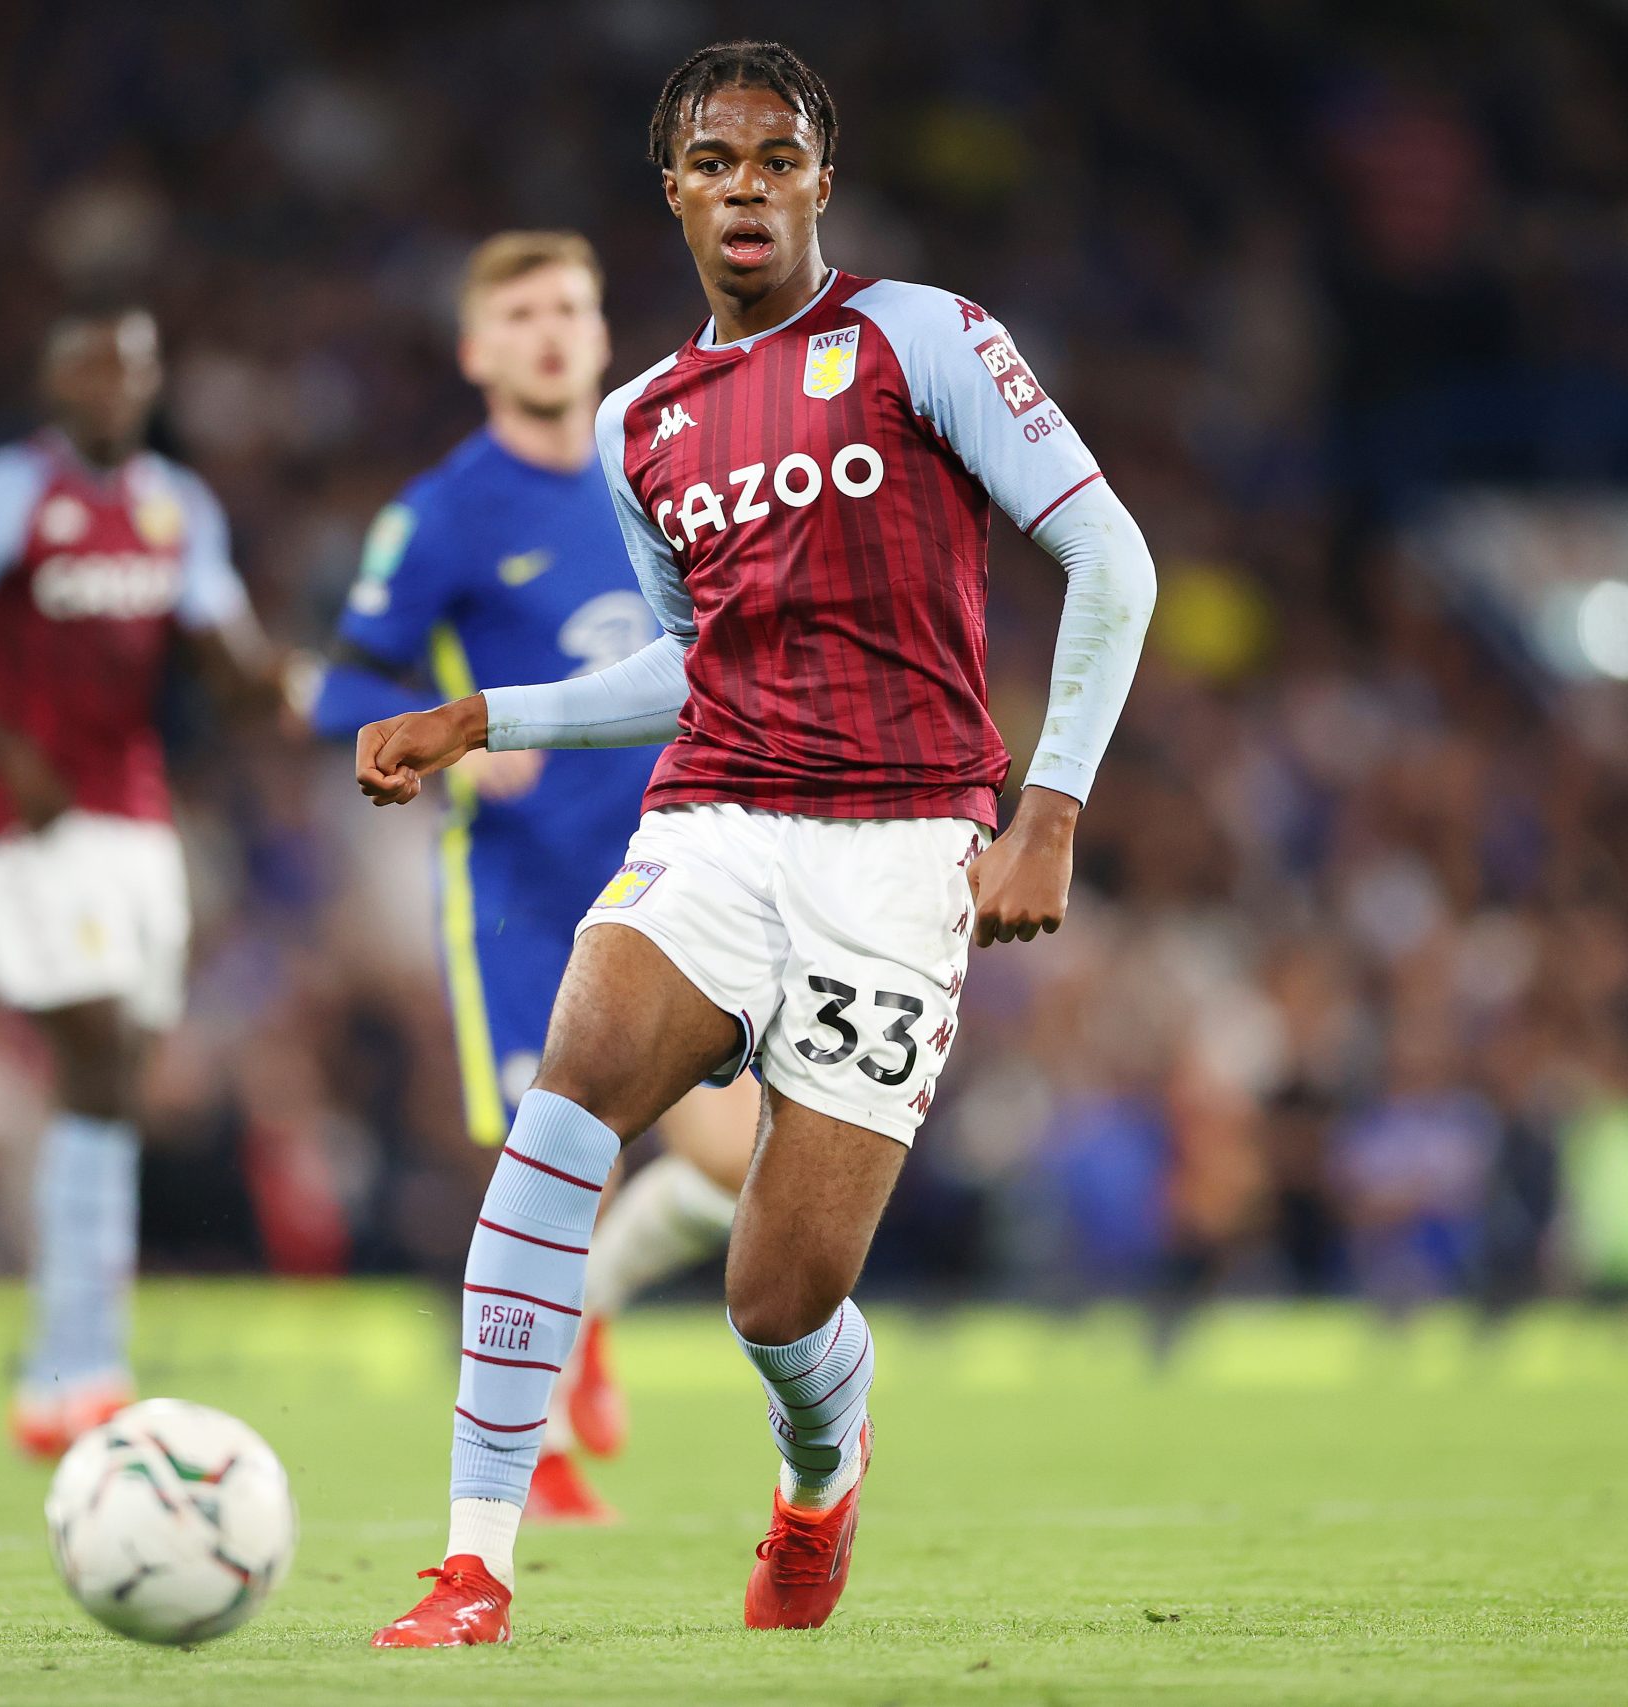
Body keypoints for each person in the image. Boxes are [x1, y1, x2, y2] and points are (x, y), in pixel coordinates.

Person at [359, 40, 1155, 1645]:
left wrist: (1049, 809)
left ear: (817, 182)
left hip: (906, 849)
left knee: (778, 1298)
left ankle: (819, 1476)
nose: (746, 186)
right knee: (566, 1090)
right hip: (719, 815)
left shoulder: (921, 339)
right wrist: (487, 716)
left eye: (775, 159)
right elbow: (696, 666)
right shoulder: (641, 420)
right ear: (674, 190)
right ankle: (474, 1564)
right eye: (715, 161)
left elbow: (1110, 556)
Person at [307, 231, 760, 1522]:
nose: (553, 329)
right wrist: (459, 746)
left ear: (606, 330)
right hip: (524, 896)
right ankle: (532, 1440)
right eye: (523, 312)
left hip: (683, 865)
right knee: (564, 1166)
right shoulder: (444, 510)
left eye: (572, 305)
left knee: (738, 1162)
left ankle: (586, 1325)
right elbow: (347, 676)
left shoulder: (664, 469)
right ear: (477, 350)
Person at [0, 303, 286, 1458]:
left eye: (132, 367)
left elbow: (229, 664)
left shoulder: (176, 509)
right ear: (53, 378)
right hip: (24, 823)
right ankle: (77, 1366)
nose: (113, 385)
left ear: (153, 380)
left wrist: (299, 679)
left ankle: (70, 1367)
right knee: (95, 1047)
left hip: (138, 827)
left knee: (120, 1076)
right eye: (92, 365)